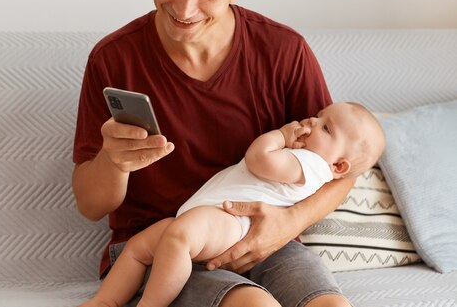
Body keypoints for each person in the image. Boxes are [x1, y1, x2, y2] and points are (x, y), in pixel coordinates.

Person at [72, 0, 363, 306]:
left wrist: (286, 225)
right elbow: (90, 204)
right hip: (160, 247)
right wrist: (113, 162)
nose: (185, 8)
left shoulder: (284, 51)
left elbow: (342, 171)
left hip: (266, 240)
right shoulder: (114, 58)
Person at [79, 102, 385, 307]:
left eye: (326, 128)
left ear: (340, 166)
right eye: (319, 116)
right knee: (139, 247)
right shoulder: (310, 156)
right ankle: (104, 302)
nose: (311, 121)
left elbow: (259, 160)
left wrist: (280, 135)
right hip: (211, 216)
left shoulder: (313, 165)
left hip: (232, 220)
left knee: (177, 238)